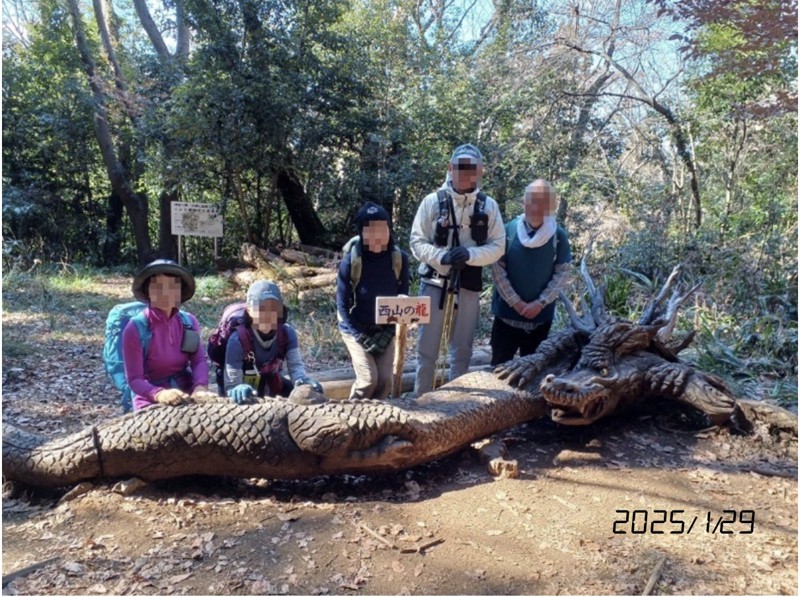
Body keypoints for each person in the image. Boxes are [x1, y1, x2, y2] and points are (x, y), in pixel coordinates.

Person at [409, 144, 505, 395]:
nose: (465, 173)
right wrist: (442, 256)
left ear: (480, 171)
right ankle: (420, 402)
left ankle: (456, 405)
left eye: (471, 168)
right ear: (450, 168)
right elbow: (416, 242)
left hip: (469, 282)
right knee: (426, 349)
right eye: (460, 167)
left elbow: (499, 245)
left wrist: (471, 255)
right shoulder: (432, 202)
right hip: (434, 281)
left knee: (462, 350)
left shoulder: (488, 206)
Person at [490, 179, 573, 365]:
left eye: (543, 202)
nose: (537, 207)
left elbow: (562, 273)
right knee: (498, 370)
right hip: (506, 317)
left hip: (540, 319)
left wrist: (540, 302)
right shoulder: (507, 231)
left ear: (551, 206)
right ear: (523, 202)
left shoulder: (557, 237)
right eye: (532, 200)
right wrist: (516, 302)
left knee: (534, 372)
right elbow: (497, 270)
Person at [336, 201, 410, 399]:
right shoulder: (351, 261)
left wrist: (403, 320)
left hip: (386, 329)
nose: (377, 234)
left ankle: (375, 423)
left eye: (382, 228)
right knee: (368, 379)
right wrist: (359, 335)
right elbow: (342, 304)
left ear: (389, 230)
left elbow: (404, 297)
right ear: (362, 233)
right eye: (370, 229)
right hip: (355, 327)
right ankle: (352, 417)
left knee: (385, 380)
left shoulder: (399, 259)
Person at [123, 259, 216, 410]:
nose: (166, 293)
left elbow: (198, 360)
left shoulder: (189, 322)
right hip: (150, 398)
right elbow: (134, 380)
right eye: (158, 287)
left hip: (186, 392)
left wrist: (200, 387)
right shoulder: (135, 328)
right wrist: (159, 394)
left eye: (172, 286)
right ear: (148, 291)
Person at [224, 280, 320, 403]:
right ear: (249, 310)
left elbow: (296, 368)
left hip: (270, 379)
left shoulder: (287, 333)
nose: (267, 315)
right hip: (243, 386)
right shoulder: (237, 340)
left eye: (273, 308)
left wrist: (304, 383)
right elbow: (231, 385)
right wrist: (237, 388)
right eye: (261, 308)